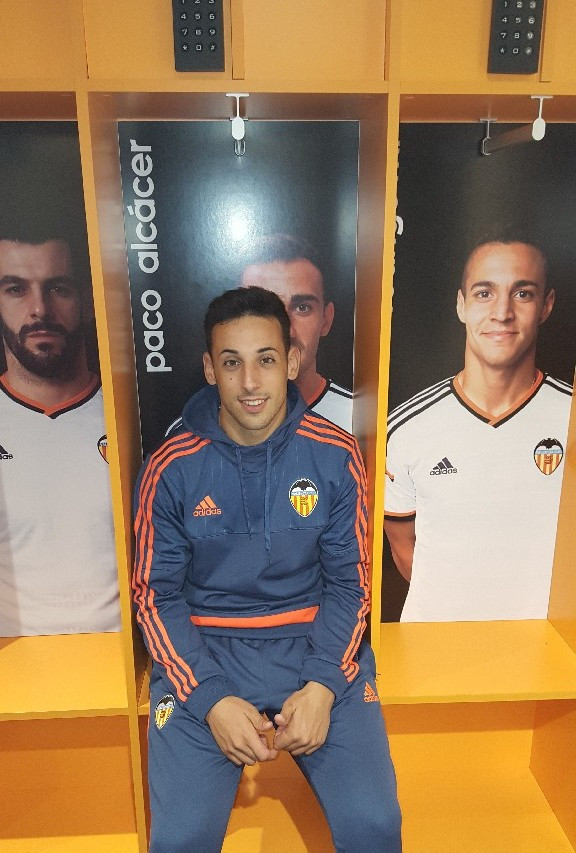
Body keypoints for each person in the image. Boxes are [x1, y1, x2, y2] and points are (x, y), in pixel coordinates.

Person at [133, 286, 402, 852]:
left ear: (293, 362)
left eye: (267, 360)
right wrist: (210, 699)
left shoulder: (336, 454)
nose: (250, 382)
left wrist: (323, 687)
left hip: (315, 651)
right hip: (207, 656)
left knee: (374, 827)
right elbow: (154, 598)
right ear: (210, 369)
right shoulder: (171, 467)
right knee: (179, 840)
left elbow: (352, 585)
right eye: (232, 363)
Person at [384, 235, 573, 622]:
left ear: (546, 305)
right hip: (437, 646)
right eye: (485, 293)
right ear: (461, 305)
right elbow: (404, 552)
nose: (502, 313)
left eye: (522, 294)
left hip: (547, 650)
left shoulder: (570, 415)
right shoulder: (406, 427)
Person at [0, 228, 120, 636]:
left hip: (122, 660)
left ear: (86, 300)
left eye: (58, 288)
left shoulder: (129, 416)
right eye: (16, 289)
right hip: (16, 668)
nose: (40, 309)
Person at [239, 234, 354, 432]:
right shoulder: (196, 430)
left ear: (326, 319)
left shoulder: (362, 426)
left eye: (302, 308)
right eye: (262, 309)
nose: (287, 331)